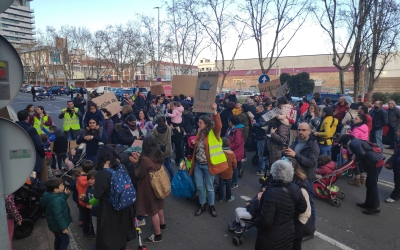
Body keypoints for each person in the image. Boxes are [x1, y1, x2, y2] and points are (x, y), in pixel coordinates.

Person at [253, 160, 307, 250]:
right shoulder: (296, 188)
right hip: (288, 232)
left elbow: (265, 220)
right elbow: (302, 208)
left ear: (274, 173)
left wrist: (255, 221)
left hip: (270, 237)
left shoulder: (271, 192)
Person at [189, 103, 228, 217]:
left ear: (206, 124)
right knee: (200, 187)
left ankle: (211, 206)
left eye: (200, 122)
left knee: (209, 187)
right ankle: (202, 204)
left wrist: (215, 111)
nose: (198, 124)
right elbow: (200, 145)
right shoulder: (199, 133)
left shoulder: (213, 133)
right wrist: (194, 142)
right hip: (198, 165)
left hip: (208, 166)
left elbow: (219, 126)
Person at [94, 146, 136, 250]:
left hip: (110, 209)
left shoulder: (102, 174)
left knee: (110, 235)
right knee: (122, 231)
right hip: (125, 205)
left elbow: (97, 195)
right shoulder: (122, 167)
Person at [129, 135, 166, 243]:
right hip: (159, 185)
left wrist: (136, 163)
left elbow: (139, 174)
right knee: (159, 205)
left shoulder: (145, 159)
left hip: (149, 187)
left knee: (152, 211)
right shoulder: (159, 155)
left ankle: (157, 234)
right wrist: (140, 158)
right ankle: (162, 225)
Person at [284, 122, 319, 230]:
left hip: (306, 178)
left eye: (303, 130)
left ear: (309, 131)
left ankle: (311, 228)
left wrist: (295, 155)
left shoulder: (313, 145)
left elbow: (311, 163)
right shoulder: (296, 142)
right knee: (294, 200)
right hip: (294, 176)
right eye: (299, 130)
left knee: (309, 202)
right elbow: (291, 155)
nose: (300, 132)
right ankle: (296, 224)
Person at [338, 134, 385, 215]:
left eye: (342, 144)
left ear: (344, 142)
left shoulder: (352, 144)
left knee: (372, 184)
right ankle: (368, 203)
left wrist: (355, 158)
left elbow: (362, 154)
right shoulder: (354, 141)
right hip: (375, 161)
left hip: (375, 163)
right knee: (369, 184)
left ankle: (375, 206)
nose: (343, 146)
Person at [40, 178, 72, 250]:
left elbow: (59, 198)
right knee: (65, 241)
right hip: (59, 227)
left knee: (58, 239)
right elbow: (58, 216)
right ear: (55, 189)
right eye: (61, 186)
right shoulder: (56, 201)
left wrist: (65, 194)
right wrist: (63, 228)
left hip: (54, 226)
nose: (63, 186)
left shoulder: (50, 195)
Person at [16, 110, 45, 179]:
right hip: (32, 159)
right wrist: (42, 154)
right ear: (27, 118)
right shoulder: (30, 129)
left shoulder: (13, 128)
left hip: (16, 159)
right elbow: (39, 145)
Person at [226, 115, 245, 189]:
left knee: (234, 168)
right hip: (230, 151)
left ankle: (235, 182)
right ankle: (229, 180)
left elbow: (237, 143)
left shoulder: (238, 130)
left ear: (231, 122)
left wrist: (228, 147)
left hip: (236, 152)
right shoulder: (230, 128)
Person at [77, 160, 95, 238]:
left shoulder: (78, 179)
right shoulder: (93, 181)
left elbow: (75, 188)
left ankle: (85, 232)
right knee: (92, 218)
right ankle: (93, 232)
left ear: (82, 169)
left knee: (85, 217)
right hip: (92, 203)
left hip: (82, 202)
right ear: (93, 169)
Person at [218, 137, 237, 202]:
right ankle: (228, 197)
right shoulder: (232, 153)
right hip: (229, 172)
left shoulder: (220, 152)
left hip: (221, 171)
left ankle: (220, 197)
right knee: (228, 185)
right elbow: (234, 163)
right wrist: (234, 169)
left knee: (221, 184)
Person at [385, 127, 400, 203]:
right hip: (397, 164)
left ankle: (393, 197)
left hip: (398, 165)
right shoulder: (398, 141)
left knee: (397, 182)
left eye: (398, 131)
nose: (397, 132)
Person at [252, 105, 268, 175]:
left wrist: (254, 123)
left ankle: (260, 170)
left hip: (261, 136)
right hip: (264, 136)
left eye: (257, 110)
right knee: (264, 154)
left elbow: (261, 125)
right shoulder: (266, 114)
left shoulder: (263, 116)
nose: (256, 112)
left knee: (261, 154)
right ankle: (264, 168)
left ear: (261, 109)